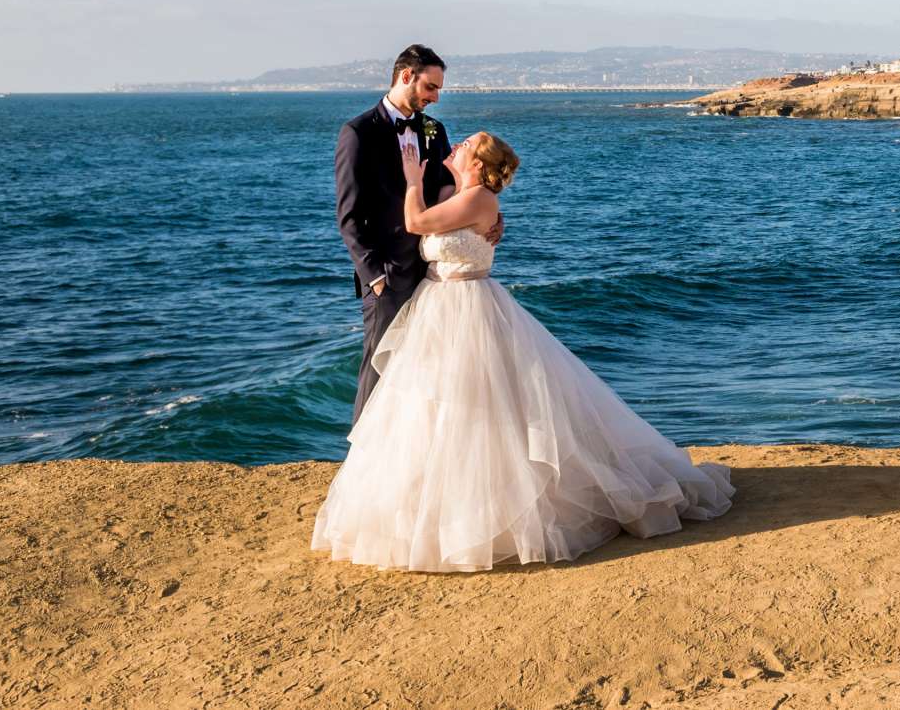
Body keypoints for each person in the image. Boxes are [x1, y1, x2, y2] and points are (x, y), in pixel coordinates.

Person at [312, 128, 733, 571]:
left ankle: (490, 513)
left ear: (477, 162)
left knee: (482, 407)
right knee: (440, 410)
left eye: (466, 145)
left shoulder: (477, 201)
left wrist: (412, 178)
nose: (455, 146)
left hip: (467, 307)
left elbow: (417, 223)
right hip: (439, 306)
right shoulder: (456, 191)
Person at [334, 45, 498, 421]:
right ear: (406, 76)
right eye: (431, 87)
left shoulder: (433, 131)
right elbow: (349, 215)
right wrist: (375, 276)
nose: (436, 98)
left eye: (439, 90)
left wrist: (490, 213)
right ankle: (362, 464)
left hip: (434, 277)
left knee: (423, 371)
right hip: (389, 276)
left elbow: (449, 193)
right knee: (379, 368)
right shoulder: (358, 133)